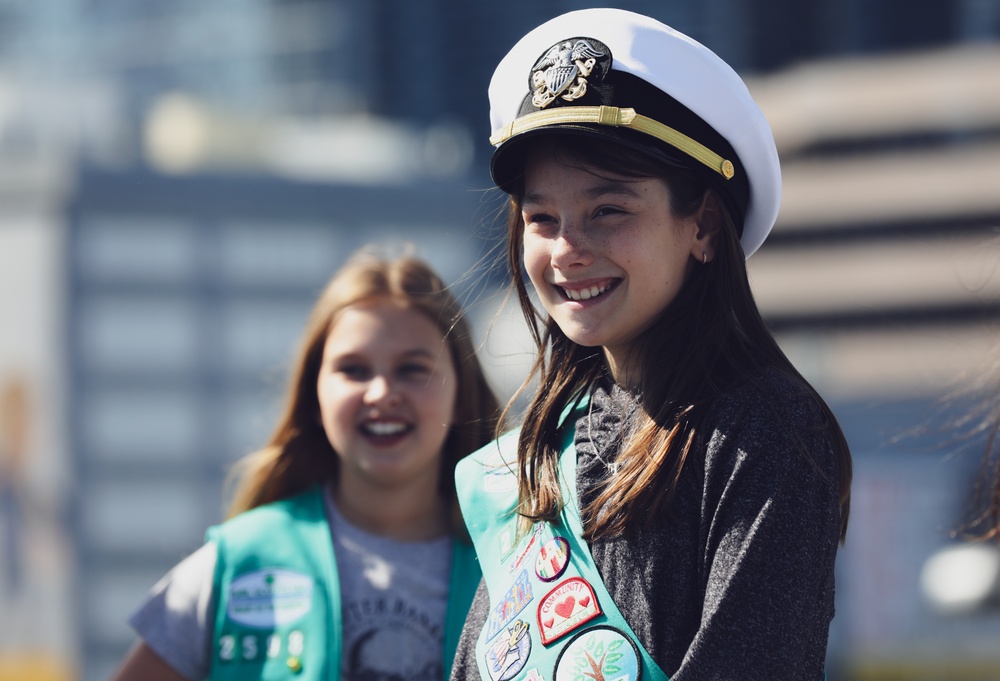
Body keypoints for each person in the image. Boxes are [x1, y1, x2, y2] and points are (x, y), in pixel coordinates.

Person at [451, 9, 853, 681]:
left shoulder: (766, 429)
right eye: (542, 217)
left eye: (608, 210)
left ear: (701, 224)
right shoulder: (538, 451)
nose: (567, 250)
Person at [112, 248, 502, 681]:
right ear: (314, 396)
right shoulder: (237, 563)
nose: (381, 393)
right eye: (353, 369)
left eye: (412, 368)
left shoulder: (513, 562)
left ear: (461, 391)